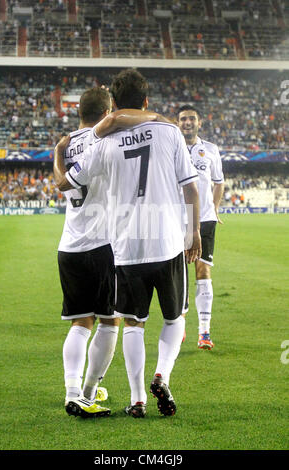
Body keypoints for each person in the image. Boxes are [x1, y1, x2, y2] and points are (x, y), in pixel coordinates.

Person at [56, 69, 201, 418]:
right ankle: (160, 375)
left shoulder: (100, 141)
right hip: (160, 240)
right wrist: (194, 232)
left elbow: (66, 183)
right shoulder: (169, 130)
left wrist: (60, 153)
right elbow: (191, 187)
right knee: (172, 317)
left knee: (129, 323)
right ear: (146, 102)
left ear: (114, 105)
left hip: (119, 245)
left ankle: (133, 399)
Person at [54, 86, 162, 418]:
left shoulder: (67, 143)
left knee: (79, 323)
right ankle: (85, 394)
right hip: (104, 244)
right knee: (110, 321)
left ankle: (73, 390)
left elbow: (61, 183)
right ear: (108, 111)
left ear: (78, 113)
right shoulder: (107, 137)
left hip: (69, 245)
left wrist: (57, 154)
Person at [177, 104, 224, 350]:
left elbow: (219, 182)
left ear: (199, 122)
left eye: (191, 118)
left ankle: (204, 332)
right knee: (179, 276)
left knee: (203, 272)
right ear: (178, 123)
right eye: (183, 118)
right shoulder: (172, 148)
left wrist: (214, 209)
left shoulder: (211, 150)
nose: (188, 122)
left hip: (204, 219)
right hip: (179, 218)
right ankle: (179, 327)